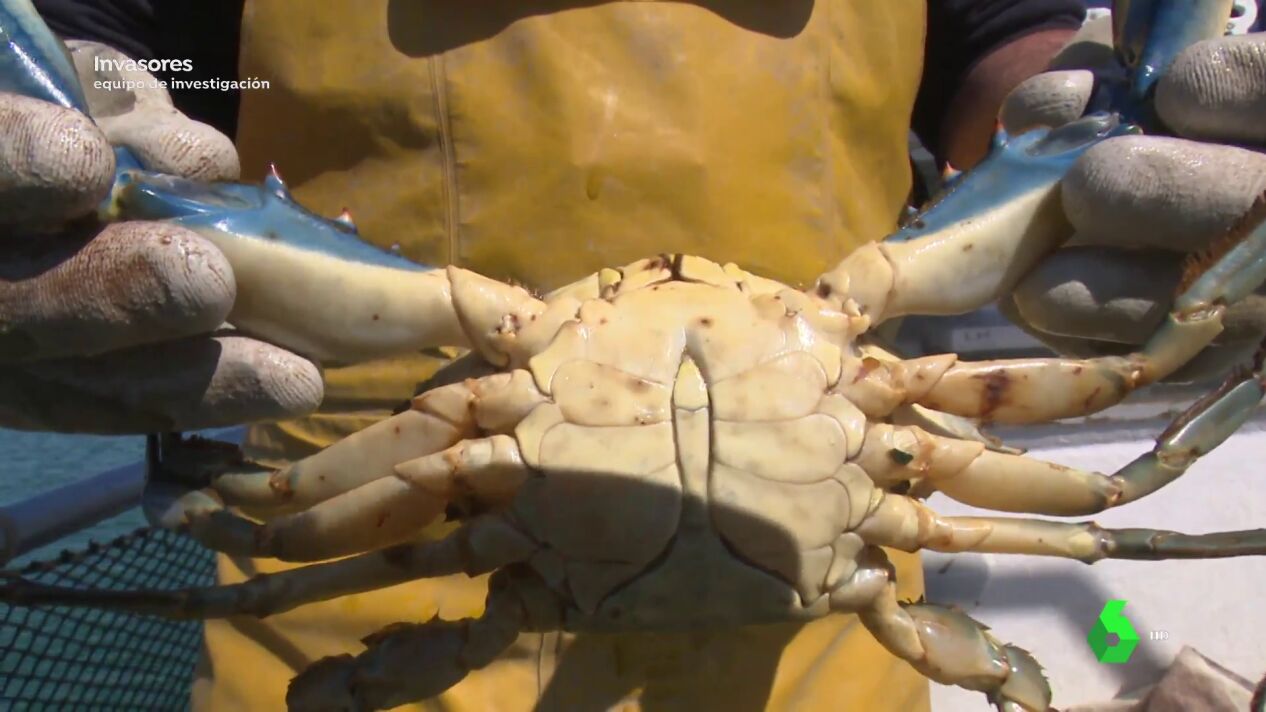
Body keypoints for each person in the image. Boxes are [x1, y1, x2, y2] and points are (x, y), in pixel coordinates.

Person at [8, 0, 1266, 709]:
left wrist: (1131, 159)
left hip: (830, 660)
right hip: (390, 587)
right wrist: (88, 103)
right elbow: (122, 51)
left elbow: (1004, 42)